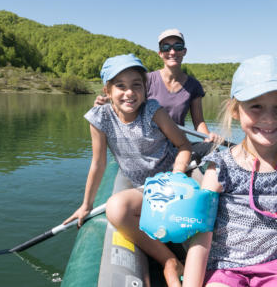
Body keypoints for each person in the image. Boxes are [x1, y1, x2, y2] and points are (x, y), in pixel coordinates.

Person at [183, 55, 277, 287]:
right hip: (225, 267)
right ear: (236, 111)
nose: (269, 118)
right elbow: (201, 240)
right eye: (256, 106)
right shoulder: (220, 167)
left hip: (276, 266)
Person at [63, 54, 191, 287]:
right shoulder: (99, 118)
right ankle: (170, 260)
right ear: (107, 90)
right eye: (120, 86)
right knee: (116, 208)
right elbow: (98, 163)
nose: (129, 93)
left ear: (144, 89)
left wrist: (178, 174)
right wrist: (86, 205)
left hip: (171, 184)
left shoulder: (153, 111)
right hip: (142, 190)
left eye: (136, 85)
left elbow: (183, 146)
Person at [95, 28, 220, 145]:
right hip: (148, 144)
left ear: (184, 51)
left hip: (178, 144)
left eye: (178, 46)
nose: (172, 52)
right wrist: (107, 102)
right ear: (160, 53)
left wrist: (208, 136)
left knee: (212, 152)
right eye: (166, 47)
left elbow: (199, 122)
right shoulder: (147, 80)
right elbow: (127, 104)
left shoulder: (194, 85)